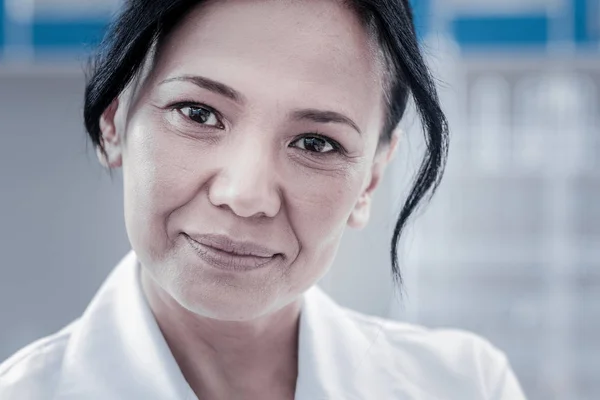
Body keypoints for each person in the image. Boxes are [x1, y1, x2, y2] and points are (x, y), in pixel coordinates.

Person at [0, 0, 527, 399]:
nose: (245, 196)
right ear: (115, 120)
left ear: (369, 181)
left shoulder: (466, 386)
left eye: (316, 143)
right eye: (198, 113)